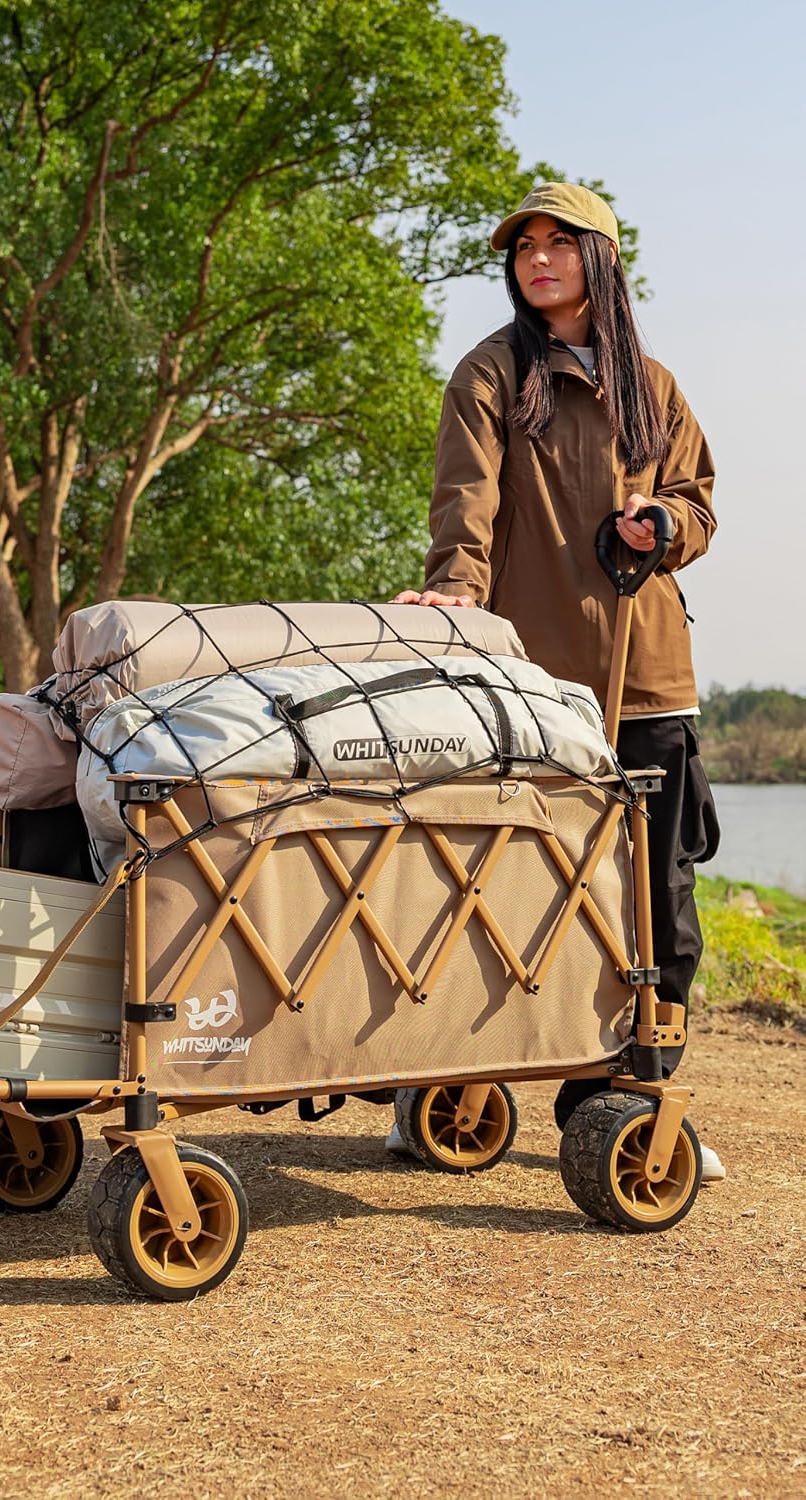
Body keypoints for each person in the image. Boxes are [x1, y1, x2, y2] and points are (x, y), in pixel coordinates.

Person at [388, 182, 724, 1180]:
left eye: (559, 244)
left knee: (657, 902)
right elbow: (467, 499)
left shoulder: (652, 385)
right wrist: (455, 590)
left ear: (599, 259)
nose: (538, 259)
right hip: (530, 686)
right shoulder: (489, 373)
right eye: (524, 245)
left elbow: (697, 499)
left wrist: (660, 527)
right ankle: (441, 1087)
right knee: (487, 885)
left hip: (649, 676)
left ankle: (630, 1100)